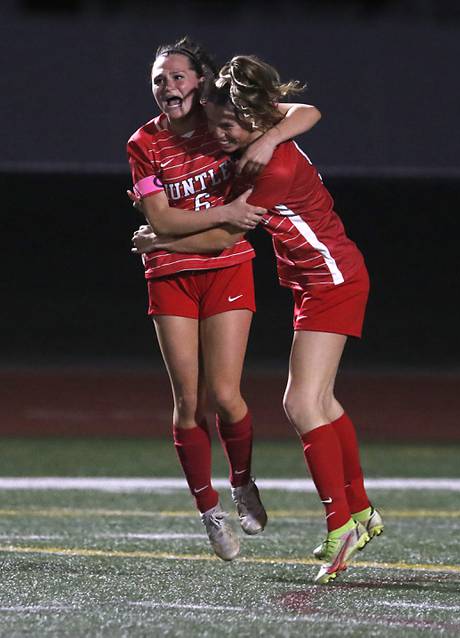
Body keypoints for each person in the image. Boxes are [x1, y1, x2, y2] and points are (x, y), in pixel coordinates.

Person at [133, 54, 383, 585]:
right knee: (324, 402)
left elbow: (227, 235)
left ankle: (341, 528)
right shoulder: (251, 140)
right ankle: (359, 510)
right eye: (216, 122)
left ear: (255, 119)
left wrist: (159, 238)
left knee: (300, 402)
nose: (220, 133)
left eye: (230, 125)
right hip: (314, 279)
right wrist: (263, 136)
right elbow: (300, 112)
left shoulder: (272, 163)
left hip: (332, 278)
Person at [126, 38, 322, 561]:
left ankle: (242, 482)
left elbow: (306, 111)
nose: (168, 87)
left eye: (177, 76)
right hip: (170, 274)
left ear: (200, 81)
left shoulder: (222, 119)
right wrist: (222, 214)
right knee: (188, 402)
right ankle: (209, 509)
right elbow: (163, 219)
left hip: (226, 266)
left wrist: (265, 142)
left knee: (227, 394)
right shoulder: (142, 143)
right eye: (158, 79)